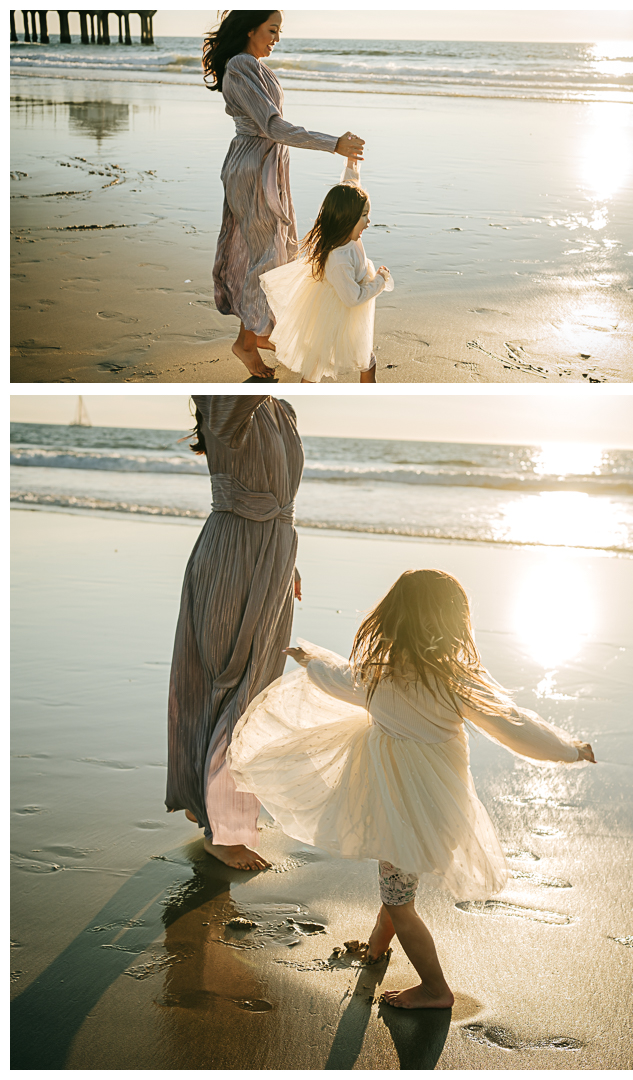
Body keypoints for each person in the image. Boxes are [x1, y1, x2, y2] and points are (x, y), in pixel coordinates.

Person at [227, 569, 596, 1008]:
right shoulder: (456, 681)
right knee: (398, 887)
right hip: (436, 808)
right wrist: (569, 750)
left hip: (400, 808)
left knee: (400, 902)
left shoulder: (377, 676)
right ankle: (378, 949)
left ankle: (436, 989)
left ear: (391, 619)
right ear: (454, 622)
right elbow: (515, 727)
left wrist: (309, 658)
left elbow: (336, 677)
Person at [165, 396, 304, 871]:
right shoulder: (224, 398)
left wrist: (289, 560)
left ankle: (211, 802)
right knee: (229, 686)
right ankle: (221, 828)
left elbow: (280, 497)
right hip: (231, 556)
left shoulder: (281, 409)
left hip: (273, 560)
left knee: (254, 688)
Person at [203, 11, 366, 380]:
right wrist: (332, 144)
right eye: (271, 30)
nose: (276, 38)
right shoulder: (242, 66)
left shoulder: (251, 66)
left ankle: (257, 334)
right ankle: (250, 340)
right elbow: (273, 126)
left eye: (279, 31)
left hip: (263, 164)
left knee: (269, 251)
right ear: (250, 30)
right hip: (253, 167)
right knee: (268, 255)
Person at [260, 160, 392, 383]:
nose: (369, 221)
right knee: (320, 364)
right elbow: (352, 298)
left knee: (365, 362)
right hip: (336, 314)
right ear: (345, 218)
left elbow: (349, 187)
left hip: (344, 307)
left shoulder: (348, 235)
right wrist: (379, 281)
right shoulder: (339, 259)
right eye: (363, 216)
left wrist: (352, 165)